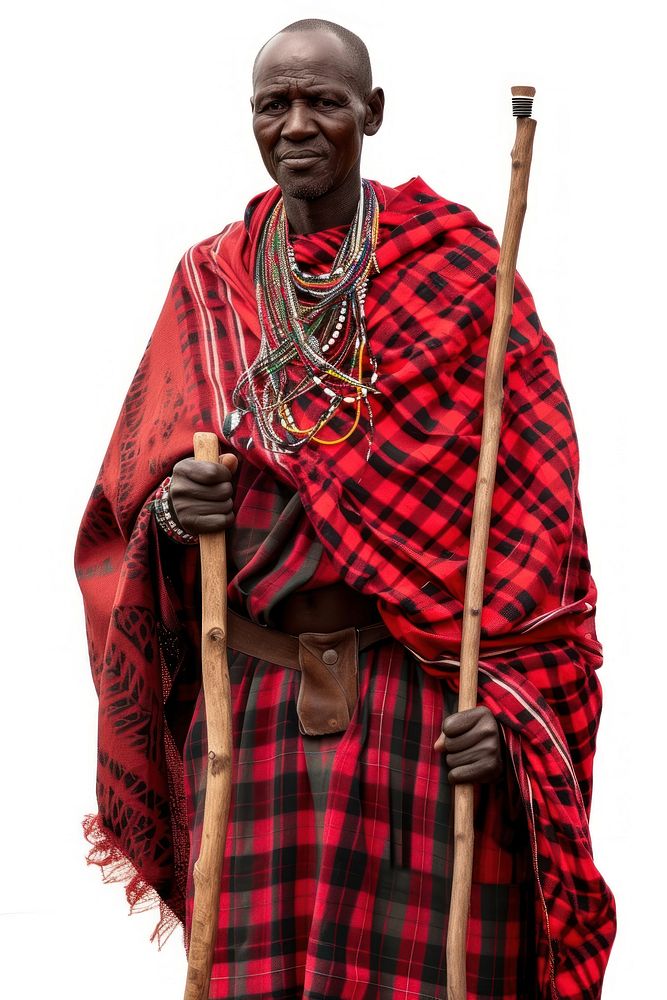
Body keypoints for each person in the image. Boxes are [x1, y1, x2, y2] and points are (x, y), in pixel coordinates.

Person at [75, 18, 615, 1000]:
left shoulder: (460, 279)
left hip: (419, 708)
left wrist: (508, 714)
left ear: (372, 112)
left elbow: (546, 541)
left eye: (323, 101)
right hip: (252, 710)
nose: (296, 125)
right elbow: (124, 510)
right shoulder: (209, 285)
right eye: (271, 104)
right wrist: (172, 514)